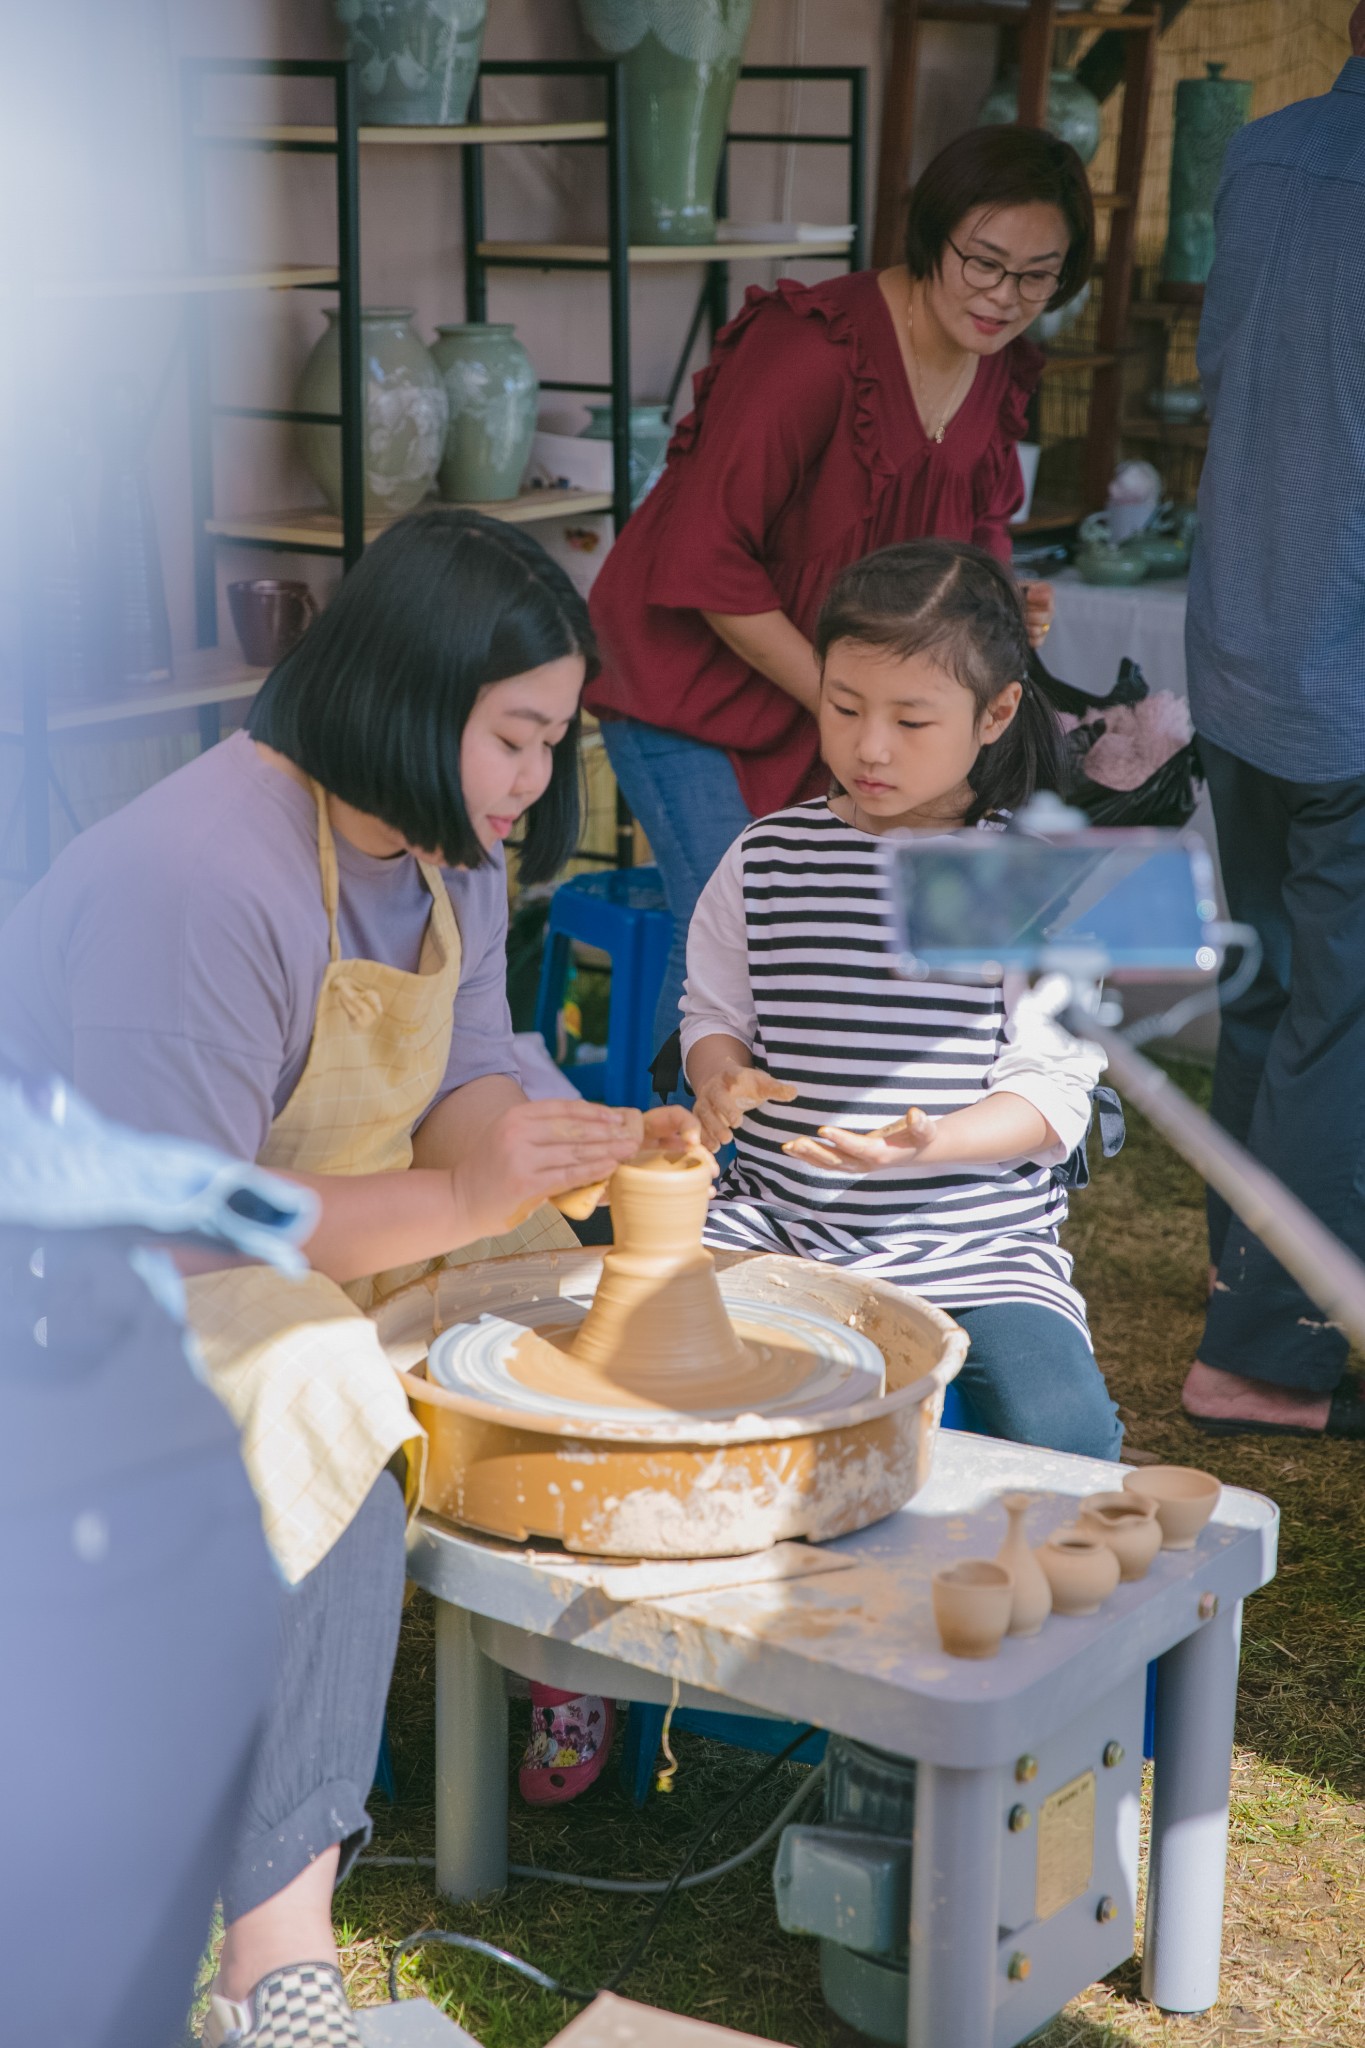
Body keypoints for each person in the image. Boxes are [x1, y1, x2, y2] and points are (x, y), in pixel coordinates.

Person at [0, 510, 694, 2045]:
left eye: (552, 740)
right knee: (320, 1379)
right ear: (407, 691)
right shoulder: (200, 874)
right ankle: (275, 1947)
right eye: (516, 738)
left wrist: (539, 1145)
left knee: (555, 1277)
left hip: (285, 1221)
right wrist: (454, 1187)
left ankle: (542, 1678)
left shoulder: (443, 848)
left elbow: (462, 1063)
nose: (537, 781)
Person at [587, 125, 1095, 1051]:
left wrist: (995, 617)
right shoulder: (811, 351)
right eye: (981, 263)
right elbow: (707, 561)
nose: (1002, 297)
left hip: (839, 693)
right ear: (930, 235)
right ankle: (661, 1183)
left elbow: (972, 548)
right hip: (686, 686)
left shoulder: (998, 366)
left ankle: (795, 1154)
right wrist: (855, 700)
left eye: (1035, 276)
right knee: (726, 943)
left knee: (813, 942)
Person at [681, 540, 1122, 1460]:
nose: (867, 746)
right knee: (668, 1380)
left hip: (978, 1245)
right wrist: (718, 1075)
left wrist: (933, 1142)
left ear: (995, 712)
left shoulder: (1022, 878)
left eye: (911, 721)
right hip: (775, 1219)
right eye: (842, 707)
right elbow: (713, 1014)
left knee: (1068, 1442)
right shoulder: (766, 859)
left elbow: (1051, 1096)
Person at [1179, 10, 1365, 1440]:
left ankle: (1237, 1273)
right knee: (1336, 1023)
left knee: (1265, 982)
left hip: (1241, 641)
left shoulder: (1258, 156)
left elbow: (1229, 374)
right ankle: (1261, 1353)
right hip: (1346, 672)